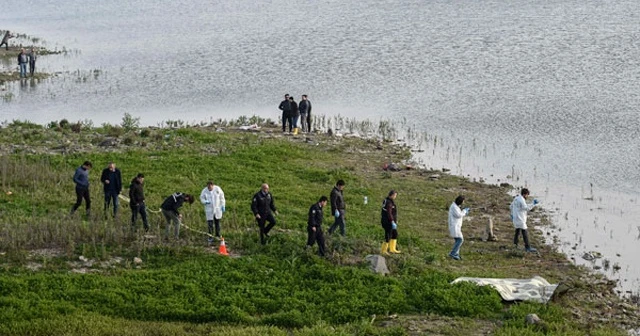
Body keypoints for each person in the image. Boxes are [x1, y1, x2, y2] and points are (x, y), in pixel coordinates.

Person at [510, 188, 539, 252]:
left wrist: (512, 214)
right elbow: (526, 208)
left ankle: (515, 245)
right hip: (520, 219)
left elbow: (511, 206)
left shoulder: (516, 198)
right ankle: (528, 247)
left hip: (515, 218)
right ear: (524, 194)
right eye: (527, 195)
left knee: (517, 231)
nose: (527, 196)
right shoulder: (521, 200)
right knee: (524, 232)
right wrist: (533, 204)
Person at [448, 195, 470, 260]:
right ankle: (452, 254)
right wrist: (465, 211)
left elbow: (459, 213)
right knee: (460, 240)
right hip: (454, 226)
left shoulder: (455, 206)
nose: (463, 203)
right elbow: (459, 215)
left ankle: (456, 254)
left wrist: (463, 210)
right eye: (463, 201)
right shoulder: (454, 207)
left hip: (456, 226)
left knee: (458, 240)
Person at [380, 190, 401, 254]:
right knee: (388, 235)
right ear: (392, 195)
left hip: (390, 221)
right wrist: (392, 221)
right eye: (395, 195)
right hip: (387, 222)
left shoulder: (388, 201)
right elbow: (389, 213)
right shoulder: (389, 203)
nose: (395, 197)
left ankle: (392, 248)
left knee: (394, 234)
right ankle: (383, 250)